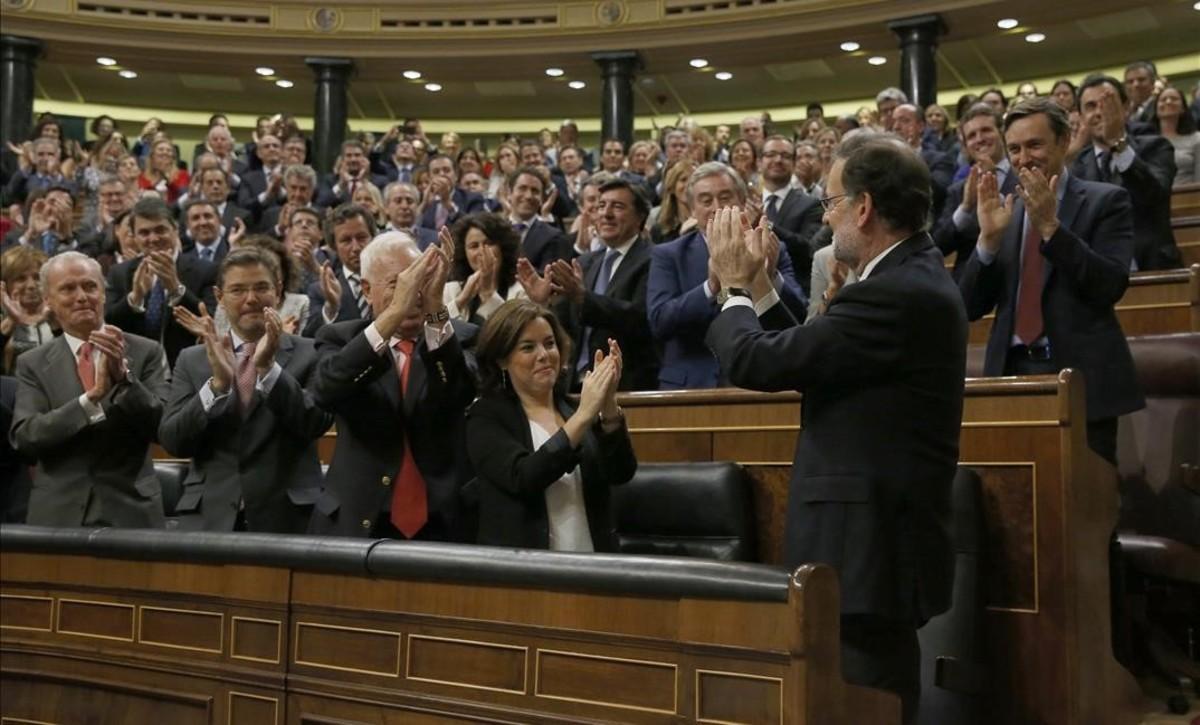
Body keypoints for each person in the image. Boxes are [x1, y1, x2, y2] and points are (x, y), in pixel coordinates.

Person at [704, 133, 967, 723]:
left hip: (869, 546)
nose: (826, 218)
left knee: (863, 697)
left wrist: (734, 287)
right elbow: (814, 355)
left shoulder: (896, 292)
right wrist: (764, 288)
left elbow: (758, 362)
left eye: (830, 203)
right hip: (872, 541)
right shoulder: (903, 278)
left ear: (864, 207)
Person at [958, 97, 1144, 464]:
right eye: (1014, 149)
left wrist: (1050, 228)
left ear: (1063, 141)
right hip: (1011, 376)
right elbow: (968, 307)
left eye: (1035, 145)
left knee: (1088, 506)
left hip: (1081, 378)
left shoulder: (1106, 201)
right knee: (1016, 502)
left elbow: (1109, 285)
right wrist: (987, 244)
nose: (1024, 158)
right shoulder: (1004, 209)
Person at [308, 231, 476, 540]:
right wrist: (394, 313)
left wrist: (436, 307)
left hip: (443, 521)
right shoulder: (340, 340)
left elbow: (457, 392)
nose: (413, 294)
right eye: (398, 284)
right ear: (367, 290)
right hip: (357, 518)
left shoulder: (459, 337)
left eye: (419, 282)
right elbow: (325, 390)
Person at [158, 248, 332, 532]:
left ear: (277, 291)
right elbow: (174, 440)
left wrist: (268, 370)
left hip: (288, 519)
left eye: (261, 287)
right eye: (238, 290)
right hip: (209, 517)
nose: (251, 299)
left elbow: (315, 422)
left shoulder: (311, 352)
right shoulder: (193, 359)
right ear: (219, 297)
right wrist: (216, 387)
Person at [11, 251, 169, 528]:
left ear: (104, 294)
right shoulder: (32, 363)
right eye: (68, 288)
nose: (82, 296)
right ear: (48, 300)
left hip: (132, 512)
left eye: (90, 286)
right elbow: (26, 437)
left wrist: (125, 381)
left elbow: (165, 428)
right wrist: (89, 401)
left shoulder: (146, 352)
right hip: (57, 516)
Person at [466, 300, 635, 550]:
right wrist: (585, 414)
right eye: (527, 347)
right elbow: (524, 478)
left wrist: (608, 404)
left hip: (594, 564)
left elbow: (621, 472)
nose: (544, 355)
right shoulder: (485, 416)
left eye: (549, 343)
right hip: (528, 572)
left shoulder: (571, 410)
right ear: (502, 360)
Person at [647, 162, 807, 389]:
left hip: (757, 381)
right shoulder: (668, 255)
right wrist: (711, 287)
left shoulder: (769, 247)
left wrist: (769, 279)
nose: (716, 207)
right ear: (692, 209)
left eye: (725, 197)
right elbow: (659, 322)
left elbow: (799, 315)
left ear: (742, 202)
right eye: (705, 200)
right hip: (690, 386)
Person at [536, 178, 659, 391]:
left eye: (618, 206)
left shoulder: (655, 259)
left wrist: (584, 298)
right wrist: (542, 303)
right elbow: (567, 324)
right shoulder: (586, 262)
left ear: (640, 217)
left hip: (627, 385)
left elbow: (641, 317)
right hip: (577, 384)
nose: (606, 214)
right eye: (601, 206)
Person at [1070, 73, 1181, 270]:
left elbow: (1156, 196)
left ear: (1126, 107)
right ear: (1080, 117)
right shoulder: (1076, 165)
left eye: (1107, 103)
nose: (1099, 112)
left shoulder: (1156, 146)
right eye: (1090, 106)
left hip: (1154, 270)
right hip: (1098, 276)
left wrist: (1117, 145)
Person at [104, 197, 219, 369]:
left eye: (160, 230)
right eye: (144, 233)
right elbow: (108, 324)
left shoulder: (206, 270)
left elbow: (212, 321)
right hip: (136, 373)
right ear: (134, 237)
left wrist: (176, 289)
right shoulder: (119, 273)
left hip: (189, 371)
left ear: (175, 230)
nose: (153, 238)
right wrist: (135, 298)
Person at [932, 103, 1015, 278]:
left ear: (1002, 133)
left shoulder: (1024, 177)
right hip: (970, 288)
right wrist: (965, 207)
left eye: (986, 130)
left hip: (1015, 278)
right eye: (971, 136)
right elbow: (938, 246)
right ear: (965, 145)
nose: (979, 139)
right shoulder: (957, 190)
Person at [758, 135, 823, 293]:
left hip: (793, 295)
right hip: (750, 297)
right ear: (759, 162)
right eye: (771, 154)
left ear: (794, 164)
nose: (778, 160)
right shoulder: (745, 202)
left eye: (785, 156)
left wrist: (767, 225)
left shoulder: (811, 204)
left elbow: (809, 250)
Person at [444, 213, 525, 325]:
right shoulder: (449, 290)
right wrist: (460, 301)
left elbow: (513, 332)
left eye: (489, 244)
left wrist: (488, 293)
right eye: (474, 246)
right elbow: (433, 328)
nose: (481, 251)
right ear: (464, 253)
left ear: (503, 248)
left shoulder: (520, 292)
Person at [0, 246, 52, 374]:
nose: (31, 285)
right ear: (5, 285)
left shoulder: (61, 318)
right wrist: (11, 322)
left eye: (37, 277)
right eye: (20, 279)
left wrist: (54, 321)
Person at [1151, 86, 1200, 186]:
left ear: (1183, 108)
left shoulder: (1197, 139)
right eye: (1163, 100)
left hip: (1188, 198)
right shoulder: (1146, 140)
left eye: (1174, 99)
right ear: (1156, 109)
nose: (1168, 102)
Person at [137, 138, 190, 205]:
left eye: (169, 150)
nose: (165, 152)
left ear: (173, 157)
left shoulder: (183, 175)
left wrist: (169, 181)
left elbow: (183, 197)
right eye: (161, 149)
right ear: (152, 155)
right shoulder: (141, 176)